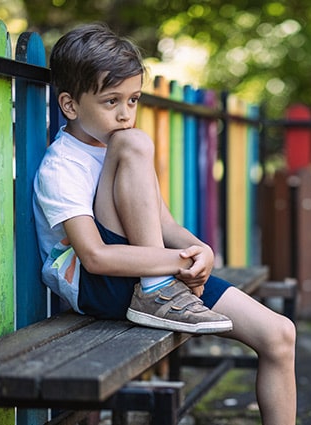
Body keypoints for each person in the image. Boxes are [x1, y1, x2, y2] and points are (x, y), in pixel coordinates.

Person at [33, 23, 296, 424]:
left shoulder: (118, 149)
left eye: (133, 99)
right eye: (111, 101)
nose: (125, 114)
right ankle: (155, 292)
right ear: (70, 105)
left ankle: (158, 291)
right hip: (102, 286)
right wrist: (171, 264)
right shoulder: (63, 166)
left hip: (153, 276)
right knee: (134, 141)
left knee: (279, 334)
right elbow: (96, 257)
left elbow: (164, 222)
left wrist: (198, 249)